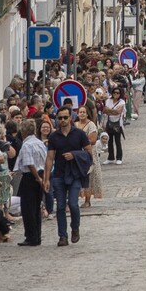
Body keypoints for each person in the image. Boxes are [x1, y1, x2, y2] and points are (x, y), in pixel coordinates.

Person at [47, 106, 93, 249]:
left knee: (73, 204)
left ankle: (75, 227)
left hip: (74, 175)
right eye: (60, 118)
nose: (62, 120)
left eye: (65, 117)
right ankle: (62, 236)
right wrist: (46, 178)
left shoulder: (79, 134)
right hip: (59, 175)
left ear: (71, 118)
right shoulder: (54, 137)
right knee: (60, 206)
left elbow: (89, 154)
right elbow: (49, 158)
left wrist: (74, 155)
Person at [14, 117, 50, 247]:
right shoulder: (39, 143)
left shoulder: (27, 144)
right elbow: (46, 161)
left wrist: (38, 178)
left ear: (23, 131)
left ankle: (31, 236)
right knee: (36, 207)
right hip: (40, 173)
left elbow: (30, 164)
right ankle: (36, 235)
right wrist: (44, 178)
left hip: (31, 176)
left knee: (28, 208)